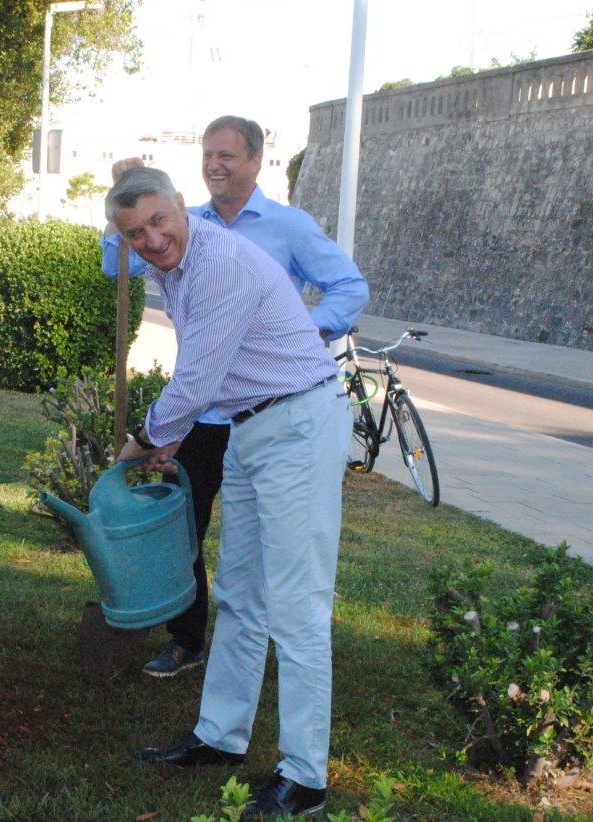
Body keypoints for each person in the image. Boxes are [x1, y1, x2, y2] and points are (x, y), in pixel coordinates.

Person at [108, 166, 350, 819]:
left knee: (296, 604)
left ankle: (305, 779)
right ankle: (220, 736)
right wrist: (172, 436)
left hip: (299, 423)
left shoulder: (220, 266)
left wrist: (136, 445)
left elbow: (192, 382)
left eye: (159, 221)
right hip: (250, 427)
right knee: (242, 595)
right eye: (135, 233)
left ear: (181, 206)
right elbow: (208, 377)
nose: (152, 239)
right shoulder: (173, 269)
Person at [102, 115, 366, 678]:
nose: (215, 164)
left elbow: (350, 286)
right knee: (188, 527)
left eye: (227, 155)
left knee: (281, 568)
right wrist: (121, 208)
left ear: (254, 160)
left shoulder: (286, 227)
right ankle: (187, 640)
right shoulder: (177, 225)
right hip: (212, 410)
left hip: (276, 407)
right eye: (207, 154)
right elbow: (114, 263)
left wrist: (303, 331)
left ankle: (284, 677)